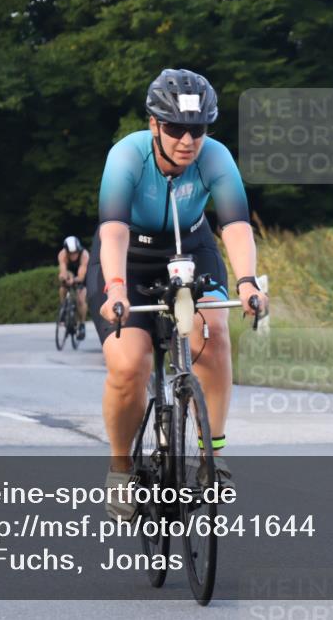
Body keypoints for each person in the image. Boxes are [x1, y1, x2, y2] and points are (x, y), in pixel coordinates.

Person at [87, 68, 268, 520]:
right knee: (130, 365)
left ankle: (213, 456)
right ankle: (120, 468)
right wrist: (114, 291)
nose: (188, 140)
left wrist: (247, 282)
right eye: (175, 129)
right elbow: (111, 232)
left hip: (191, 245)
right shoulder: (125, 157)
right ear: (154, 125)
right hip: (129, 254)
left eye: (199, 129)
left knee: (214, 329)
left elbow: (236, 225)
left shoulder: (216, 158)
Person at [58, 235, 88, 340]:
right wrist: (65, 278)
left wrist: (74, 280)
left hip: (82, 275)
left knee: (80, 299)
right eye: (71, 253)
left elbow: (81, 276)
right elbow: (63, 270)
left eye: (76, 252)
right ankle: (63, 307)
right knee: (62, 285)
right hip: (70, 272)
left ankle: (82, 324)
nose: (74, 255)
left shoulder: (84, 255)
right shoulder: (62, 254)